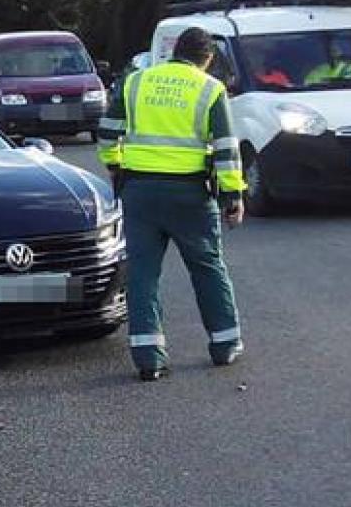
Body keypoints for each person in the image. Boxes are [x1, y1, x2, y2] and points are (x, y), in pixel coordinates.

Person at [96, 27, 246, 382]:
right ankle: (224, 344)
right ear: (207, 58)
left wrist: (116, 165)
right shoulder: (210, 89)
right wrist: (232, 196)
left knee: (144, 274)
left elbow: (107, 131)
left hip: (139, 189)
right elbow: (226, 149)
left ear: (173, 52)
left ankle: (149, 358)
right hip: (190, 195)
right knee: (207, 267)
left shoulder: (136, 81)